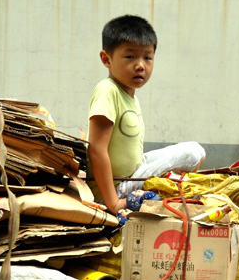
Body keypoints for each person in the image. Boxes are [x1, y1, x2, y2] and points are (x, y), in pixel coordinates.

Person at [87, 15, 205, 213]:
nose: (140, 65)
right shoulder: (107, 90)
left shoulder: (130, 96)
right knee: (193, 152)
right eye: (130, 56)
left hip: (134, 171)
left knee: (195, 150)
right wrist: (113, 203)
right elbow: (97, 150)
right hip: (118, 186)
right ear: (106, 59)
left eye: (147, 57)